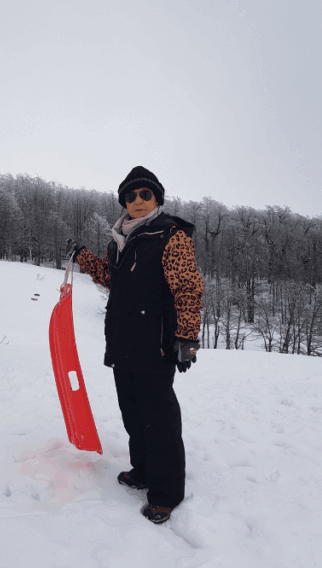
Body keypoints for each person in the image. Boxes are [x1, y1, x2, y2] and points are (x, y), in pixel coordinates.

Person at [67, 166, 204, 525]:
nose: (138, 201)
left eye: (145, 194)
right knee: (132, 412)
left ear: (157, 198)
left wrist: (187, 337)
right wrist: (83, 256)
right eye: (131, 196)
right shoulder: (122, 238)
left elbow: (187, 287)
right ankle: (142, 471)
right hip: (124, 340)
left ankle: (165, 493)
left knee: (158, 419)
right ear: (123, 203)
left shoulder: (170, 235)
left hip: (156, 343)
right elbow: (114, 280)